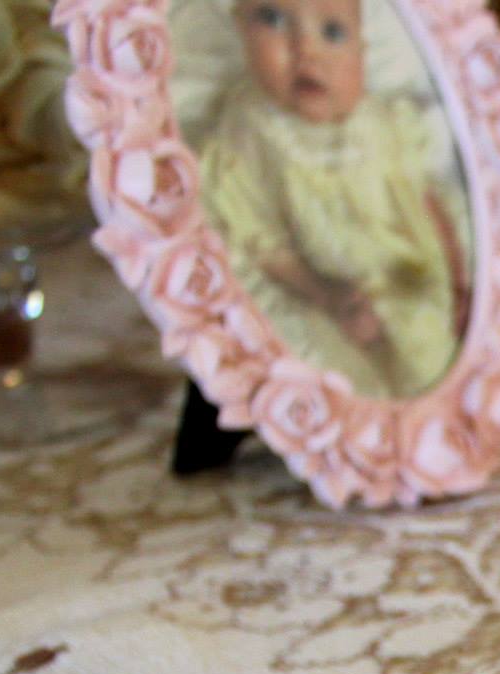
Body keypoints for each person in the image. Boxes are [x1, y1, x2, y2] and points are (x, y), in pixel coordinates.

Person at [201, 0, 470, 398]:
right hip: (318, 286)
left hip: (406, 276)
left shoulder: (384, 122)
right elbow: (253, 232)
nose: (306, 51)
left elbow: (428, 204)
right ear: (240, 27)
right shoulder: (252, 124)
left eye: (333, 33)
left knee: (432, 362)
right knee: (340, 377)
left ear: (363, 52)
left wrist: (458, 281)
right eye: (273, 19)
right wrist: (327, 296)